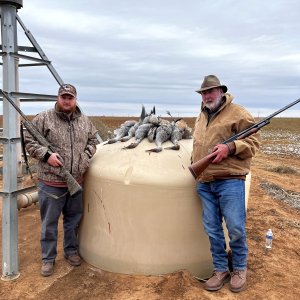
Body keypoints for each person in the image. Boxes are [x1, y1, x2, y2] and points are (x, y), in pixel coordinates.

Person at [192, 75, 260, 292]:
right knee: (213, 229)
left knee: (236, 228)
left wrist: (230, 148)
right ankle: (221, 269)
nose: (206, 96)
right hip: (205, 182)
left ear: (221, 91)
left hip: (230, 180)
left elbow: (254, 141)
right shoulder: (202, 115)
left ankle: (239, 269)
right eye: (203, 93)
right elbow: (199, 143)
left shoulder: (238, 113)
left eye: (210, 91)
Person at [24, 83, 99, 277]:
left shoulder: (85, 121)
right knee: (49, 223)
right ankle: (48, 259)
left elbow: (93, 141)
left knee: (73, 221)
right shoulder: (43, 118)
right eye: (64, 97)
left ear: (75, 99)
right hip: (51, 183)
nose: (67, 100)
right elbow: (29, 140)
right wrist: (46, 155)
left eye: (70, 97)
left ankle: (71, 251)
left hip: (76, 180)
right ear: (58, 98)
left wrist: (85, 157)